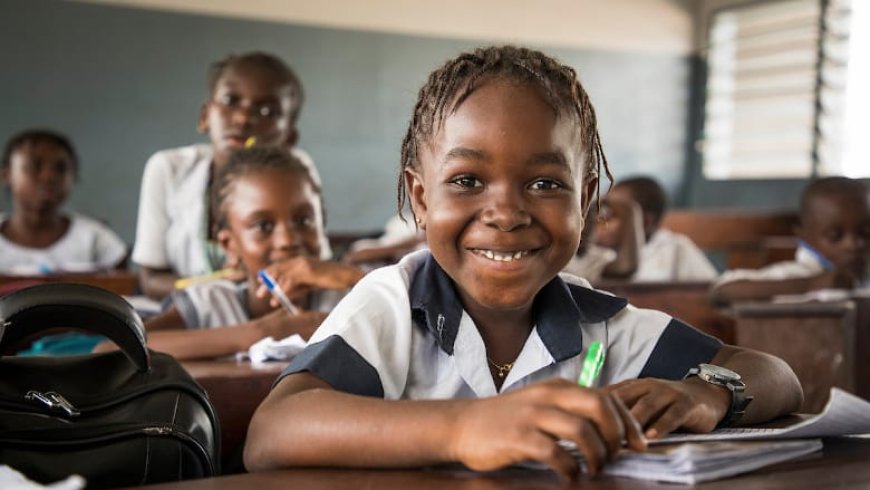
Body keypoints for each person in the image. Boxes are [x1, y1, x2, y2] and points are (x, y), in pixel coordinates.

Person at [244, 46, 802, 480]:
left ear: (584, 200)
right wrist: (464, 429)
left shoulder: (601, 325)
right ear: (420, 198)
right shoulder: (394, 301)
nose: (506, 213)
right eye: (466, 181)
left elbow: (777, 377)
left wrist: (706, 392)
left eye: (544, 183)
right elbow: (271, 434)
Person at [96, 148, 363, 360]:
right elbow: (110, 350)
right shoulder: (211, 302)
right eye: (263, 226)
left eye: (304, 220)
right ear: (229, 245)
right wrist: (260, 333)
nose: (287, 241)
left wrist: (354, 278)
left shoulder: (351, 296)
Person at [132, 51, 328, 300]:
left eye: (267, 111)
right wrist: (217, 290)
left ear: (289, 137)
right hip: (189, 313)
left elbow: (316, 264)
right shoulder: (168, 168)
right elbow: (151, 280)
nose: (243, 118)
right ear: (205, 116)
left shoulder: (299, 170)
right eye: (230, 100)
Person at [710, 176, 870, 304]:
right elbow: (721, 292)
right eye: (835, 236)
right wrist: (811, 285)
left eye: (865, 233)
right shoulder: (794, 275)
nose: (853, 244)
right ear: (804, 236)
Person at [0, 129, 127, 274]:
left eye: (60, 169)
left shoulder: (96, 238)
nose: (48, 177)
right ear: (6, 175)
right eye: (34, 167)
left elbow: (122, 288)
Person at [596, 176, 717, 282]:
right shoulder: (597, 253)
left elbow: (706, 289)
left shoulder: (676, 247)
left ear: (646, 222)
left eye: (612, 215)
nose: (602, 222)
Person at [563, 197, 643, 284]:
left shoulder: (600, 256)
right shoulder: (556, 255)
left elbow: (626, 267)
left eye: (592, 220)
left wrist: (631, 211)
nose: (586, 228)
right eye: (579, 218)